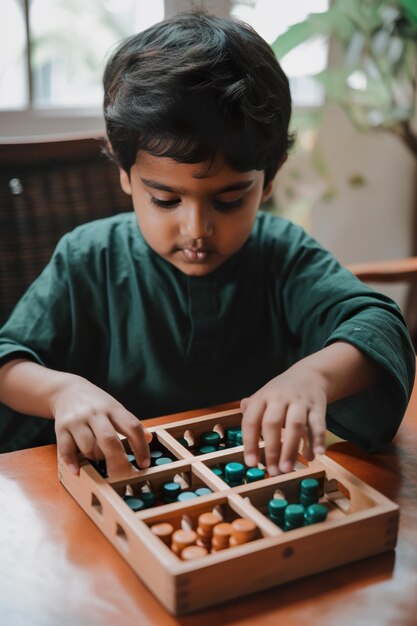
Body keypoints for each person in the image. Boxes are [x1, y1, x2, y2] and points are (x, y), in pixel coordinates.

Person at [0, 11, 414, 478]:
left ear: (269, 178)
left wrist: (313, 377)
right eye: (165, 199)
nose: (197, 228)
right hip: (116, 490)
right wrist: (60, 393)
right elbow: (7, 360)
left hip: (256, 487)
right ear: (124, 175)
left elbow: (379, 326)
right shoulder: (86, 258)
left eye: (229, 200)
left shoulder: (282, 254)